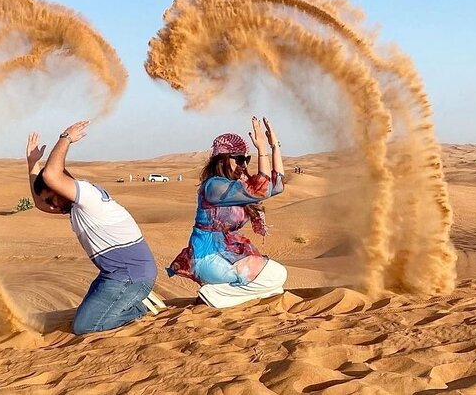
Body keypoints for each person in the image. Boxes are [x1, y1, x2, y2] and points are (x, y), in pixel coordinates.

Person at [26, 120, 158, 334]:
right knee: (86, 316)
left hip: (130, 276)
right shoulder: (76, 207)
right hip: (113, 275)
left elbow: (51, 176)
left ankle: (137, 309)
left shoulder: (87, 195)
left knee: (85, 326)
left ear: (62, 186)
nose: (51, 205)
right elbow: (40, 203)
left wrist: (65, 138)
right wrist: (32, 163)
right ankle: (128, 302)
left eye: (52, 198)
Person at [167, 116, 287, 308]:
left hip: (225, 254)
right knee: (277, 275)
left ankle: (224, 296)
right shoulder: (214, 187)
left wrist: (275, 147)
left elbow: (278, 186)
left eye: (246, 159)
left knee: (274, 287)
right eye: (239, 159)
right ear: (222, 160)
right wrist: (261, 149)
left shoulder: (235, 186)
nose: (244, 165)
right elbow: (262, 190)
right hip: (208, 257)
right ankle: (214, 294)